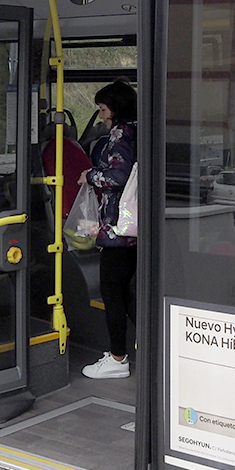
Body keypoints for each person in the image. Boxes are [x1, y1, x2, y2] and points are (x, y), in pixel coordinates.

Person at [79, 79, 137, 379]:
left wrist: (90, 176)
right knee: (128, 292)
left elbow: (117, 176)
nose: (101, 116)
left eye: (103, 110)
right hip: (135, 226)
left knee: (111, 291)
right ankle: (151, 345)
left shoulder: (120, 134)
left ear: (115, 108)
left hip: (119, 228)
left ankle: (117, 357)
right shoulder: (141, 128)